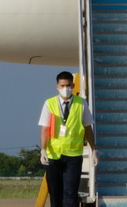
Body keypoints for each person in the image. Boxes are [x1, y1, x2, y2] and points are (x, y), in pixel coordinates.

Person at [38, 71, 97, 207]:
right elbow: (45, 129)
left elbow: (88, 128)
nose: (65, 89)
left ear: (73, 85)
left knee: (70, 193)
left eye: (68, 85)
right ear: (57, 87)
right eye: (62, 85)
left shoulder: (81, 103)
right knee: (55, 194)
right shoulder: (49, 103)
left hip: (73, 155)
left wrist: (94, 149)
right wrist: (43, 150)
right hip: (53, 155)